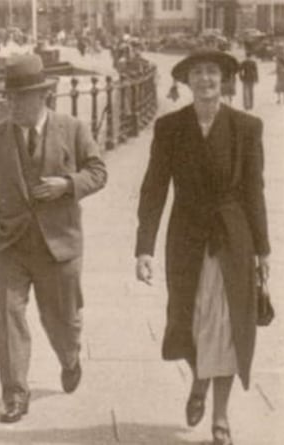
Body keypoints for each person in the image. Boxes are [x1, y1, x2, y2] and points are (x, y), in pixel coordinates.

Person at [135, 48, 270, 445]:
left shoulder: (247, 127)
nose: (206, 80)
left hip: (233, 239)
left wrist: (263, 250)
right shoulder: (170, 128)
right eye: (198, 73)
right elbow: (154, 189)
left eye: (213, 73)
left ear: (225, 79)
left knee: (229, 327)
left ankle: (221, 416)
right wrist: (144, 248)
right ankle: (198, 379)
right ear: (187, 81)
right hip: (187, 239)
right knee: (189, 322)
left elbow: (254, 191)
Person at [0, 54, 107, 424]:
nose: (12, 105)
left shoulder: (73, 129)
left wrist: (67, 184)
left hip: (59, 244)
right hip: (10, 244)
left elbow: (98, 171)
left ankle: (70, 356)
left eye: (20, 98)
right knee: (9, 316)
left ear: (42, 97)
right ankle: (15, 394)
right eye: (9, 99)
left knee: (62, 319)